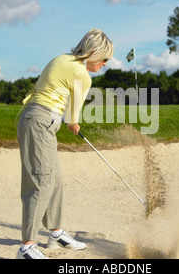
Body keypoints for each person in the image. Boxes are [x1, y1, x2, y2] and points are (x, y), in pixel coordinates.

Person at [15, 29, 114, 259]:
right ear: (94, 53)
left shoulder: (62, 59)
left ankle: (55, 233)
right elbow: (73, 114)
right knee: (41, 183)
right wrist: (73, 124)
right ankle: (26, 247)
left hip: (38, 121)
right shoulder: (83, 74)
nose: (105, 64)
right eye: (105, 59)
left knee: (55, 179)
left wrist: (68, 121)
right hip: (40, 122)